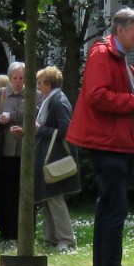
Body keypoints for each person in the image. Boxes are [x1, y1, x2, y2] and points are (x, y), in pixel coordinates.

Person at [70, 8, 134, 266]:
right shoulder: (102, 56)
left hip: (117, 142)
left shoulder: (122, 62)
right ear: (120, 30)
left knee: (111, 209)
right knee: (113, 210)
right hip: (107, 143)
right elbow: (97, 95)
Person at [27, 66, 79, 252]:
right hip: (48, 155)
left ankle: (66, 239)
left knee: (55, 198)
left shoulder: (58, 101)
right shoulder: (52, 99)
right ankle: (51, 239)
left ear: (49, 84)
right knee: (47, 198)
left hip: (55, 156)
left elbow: (66, 130)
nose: (38, 87)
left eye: (40, 83)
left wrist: (40, 129)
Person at [0, 64, 27, 247]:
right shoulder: (0, 95)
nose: (19, 82)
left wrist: (25, 129)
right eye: (16, 78)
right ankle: (7, 231)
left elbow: (40, 120)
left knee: (24, 192)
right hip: (4, 151)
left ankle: (25, 231)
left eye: (22, 78)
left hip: (25, 151)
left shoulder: (33, 95)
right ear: (10, 79)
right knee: (6, 192)